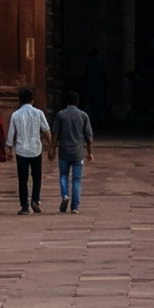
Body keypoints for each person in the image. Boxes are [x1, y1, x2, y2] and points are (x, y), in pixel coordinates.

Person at [7, 87, 51, 213]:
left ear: (20, 100)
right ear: (32, 100)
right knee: (37, 177)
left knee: (23, 179)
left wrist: (9, 150)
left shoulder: (15, 115)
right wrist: (51, 146)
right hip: (35, 149)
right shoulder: (39, 113)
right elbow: (46, 130)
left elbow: (11, 134)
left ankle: (24, 206)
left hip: (21, 151)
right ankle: (35, 200)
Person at [52, 85, 94, 213]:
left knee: (63, 176)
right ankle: (75, 206)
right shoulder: (83, 115)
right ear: (77, 102)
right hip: (78, 152)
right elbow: (89, 137)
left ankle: (65, 195)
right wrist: (89, 152)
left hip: (64, 151)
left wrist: (52, 149)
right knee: (77, 179)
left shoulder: (61, 115)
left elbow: (55, 133)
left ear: (66, 101)